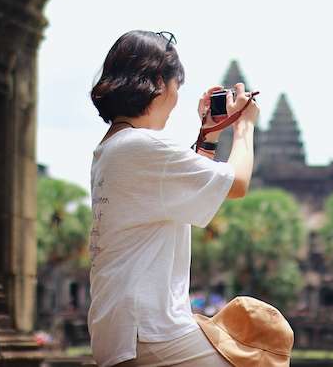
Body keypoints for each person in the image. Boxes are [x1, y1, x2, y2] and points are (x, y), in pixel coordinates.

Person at [87, 30, 259, 367]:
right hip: (151, 330)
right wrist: (245, 127)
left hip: (121, 328)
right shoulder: (143, 147)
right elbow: (237, 183)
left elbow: (179, 195)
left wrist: (208, 138)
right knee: (262, 353)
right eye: (177, 85)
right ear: (159, 84)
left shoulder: (111, 149)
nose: (177, 97)